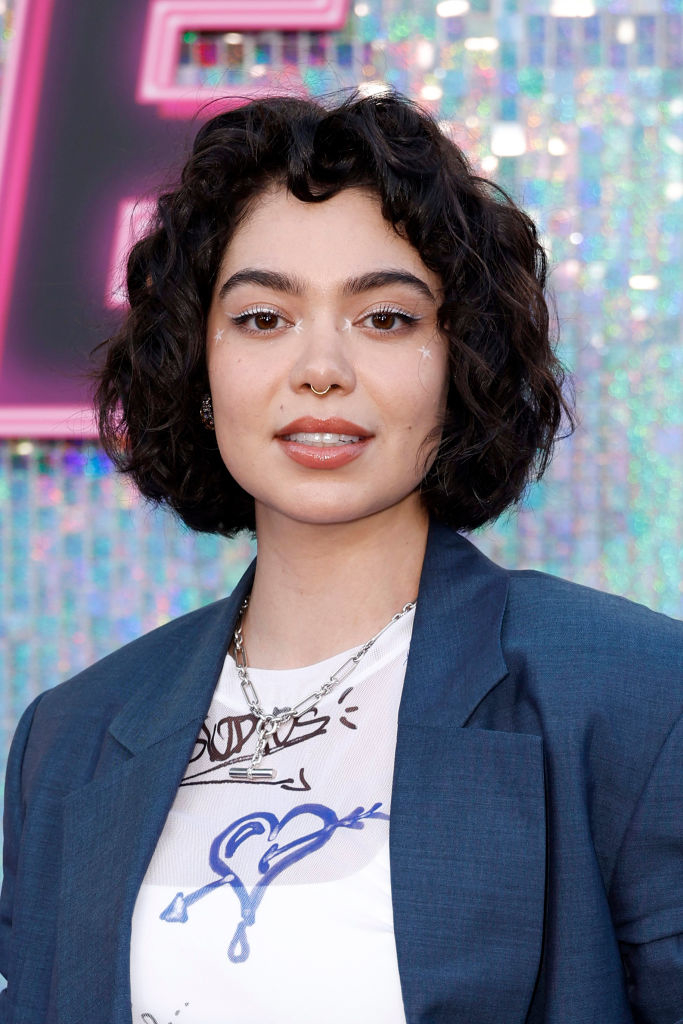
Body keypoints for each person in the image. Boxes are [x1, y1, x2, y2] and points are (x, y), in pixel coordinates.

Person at [0, 91, 681, 1024]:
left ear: (459, 363)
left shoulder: (630, 695)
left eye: (385, 318)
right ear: (199, 367)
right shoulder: (70, 739)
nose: (320, 368)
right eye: (263, 318)